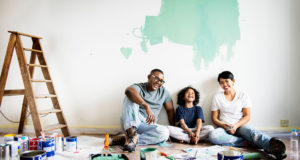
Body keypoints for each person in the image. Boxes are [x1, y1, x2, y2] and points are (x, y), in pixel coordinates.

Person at [209, 71, 286, 159]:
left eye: (227, 81)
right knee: (213, 135)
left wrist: (235, 126)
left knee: (253, 134)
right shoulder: (217, 97)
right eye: (222, 83)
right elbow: (214, 118)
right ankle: (247, 142)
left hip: (240, 126)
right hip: (224, 128)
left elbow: (247, 116)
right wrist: (224, 125)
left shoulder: (243, 95)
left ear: (233, 81)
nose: (225, 84)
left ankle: (273, 147)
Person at [110, 69, 175, 152]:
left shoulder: (164, 93)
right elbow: (128, 91)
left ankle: (128, 139)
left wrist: (173, 131)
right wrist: (146, 106)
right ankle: (131, 133)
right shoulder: (139, 87)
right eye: (156, 78)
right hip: (133, 121)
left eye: (161, 81)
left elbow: (170, 110)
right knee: (129, 97)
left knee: (165, 133)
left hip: (148, 125)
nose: (158, 82)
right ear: (148, 77)